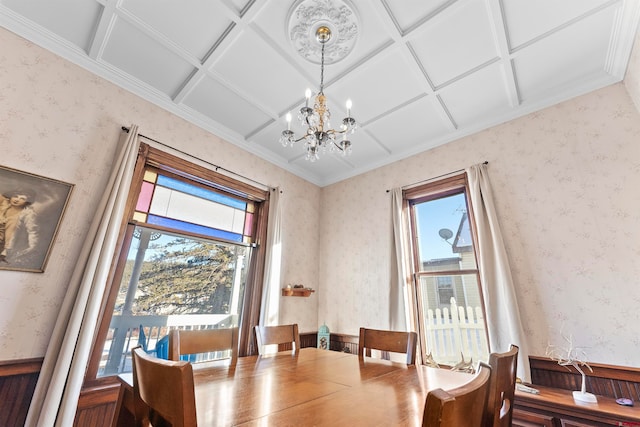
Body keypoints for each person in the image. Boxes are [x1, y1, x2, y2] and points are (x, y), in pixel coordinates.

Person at [0, 188, 39, 264]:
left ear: (26, 202)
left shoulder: (28, 214)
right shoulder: (4, 205)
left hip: (6, 244)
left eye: (22, 199)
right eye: (15, 196)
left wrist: (32, 247)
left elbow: (32, 231)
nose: (17, 200)